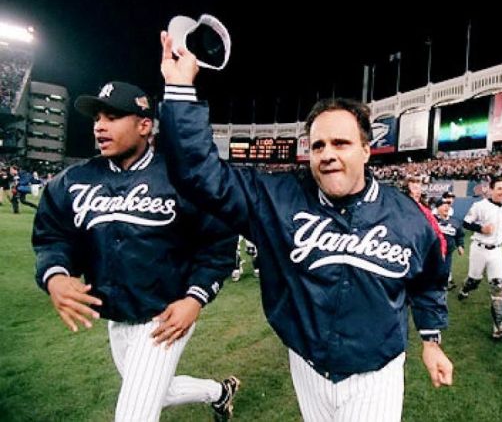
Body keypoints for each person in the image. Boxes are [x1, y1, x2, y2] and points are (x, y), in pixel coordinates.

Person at [159, 32, 453, 422]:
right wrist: (180, 89)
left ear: (366, 150)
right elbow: (198, 175)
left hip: (375, 373)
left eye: (340, 143)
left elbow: (429, 282)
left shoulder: (410, 219)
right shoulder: (275, 198)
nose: (328, 154)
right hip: (306, 363)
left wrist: (431, 341)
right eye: (317, 146)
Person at [31, 81, 240, 422]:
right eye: (97, 117)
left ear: (144, 125)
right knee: (155, 390)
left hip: (166, 316)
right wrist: (55, 276)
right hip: (116, 314)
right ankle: (218, 392)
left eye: (112, 117)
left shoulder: (181, 177)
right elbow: (53, 237)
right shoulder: (74, 180)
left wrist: (195, 298)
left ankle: (217, 393)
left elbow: (217, 244)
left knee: (134, 413)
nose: (99, 125)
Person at [458, 176, 502, 340]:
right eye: (499, 188)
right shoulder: (479, 205)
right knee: (474, 280)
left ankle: (499, 326)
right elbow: (465, 223)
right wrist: (481, 228)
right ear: (491, 189)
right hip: (480, 249)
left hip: (496, 251)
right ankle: (465, 289)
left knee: (498, 286)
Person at [433, 198, 464, 291]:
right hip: (433, 253)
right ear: (437, 208)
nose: (447, 206)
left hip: (448, 253)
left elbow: (460, 235)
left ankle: (443, 288)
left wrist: (460, 246)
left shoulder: (455, 221)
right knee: (433, 271)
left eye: (448, 205)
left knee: (445, 271)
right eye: (443, 205)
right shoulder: (432, 219)